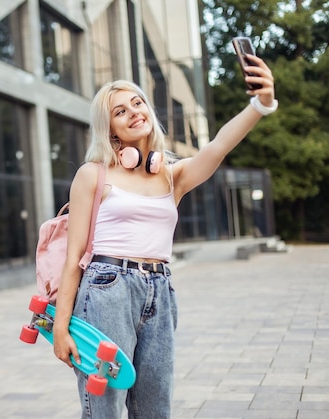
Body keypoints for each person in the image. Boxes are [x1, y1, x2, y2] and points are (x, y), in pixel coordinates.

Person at [52, 54, 276, 418]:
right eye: (121, 111)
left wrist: (260, 105)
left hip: (160, 289)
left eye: (137, 103)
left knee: (156, 406)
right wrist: (61, 327)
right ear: (110, 130)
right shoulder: (93, 175)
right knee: (103, 405)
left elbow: (217, 146)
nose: (134, 112)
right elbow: (73, 256)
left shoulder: (172, 176)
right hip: (107, 289)